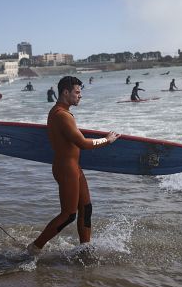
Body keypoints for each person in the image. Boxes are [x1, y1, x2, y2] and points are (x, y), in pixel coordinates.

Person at [27, 76, 120, 256]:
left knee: (86, 208)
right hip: (66, 168)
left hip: (73, 166)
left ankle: (85, 249)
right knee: (68, 214)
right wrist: (107, 140)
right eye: (77, 92)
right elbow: (84, 144)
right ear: (65, 92)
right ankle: (35, 248)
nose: (80, 96)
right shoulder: (61, 115)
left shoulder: (60, 112)